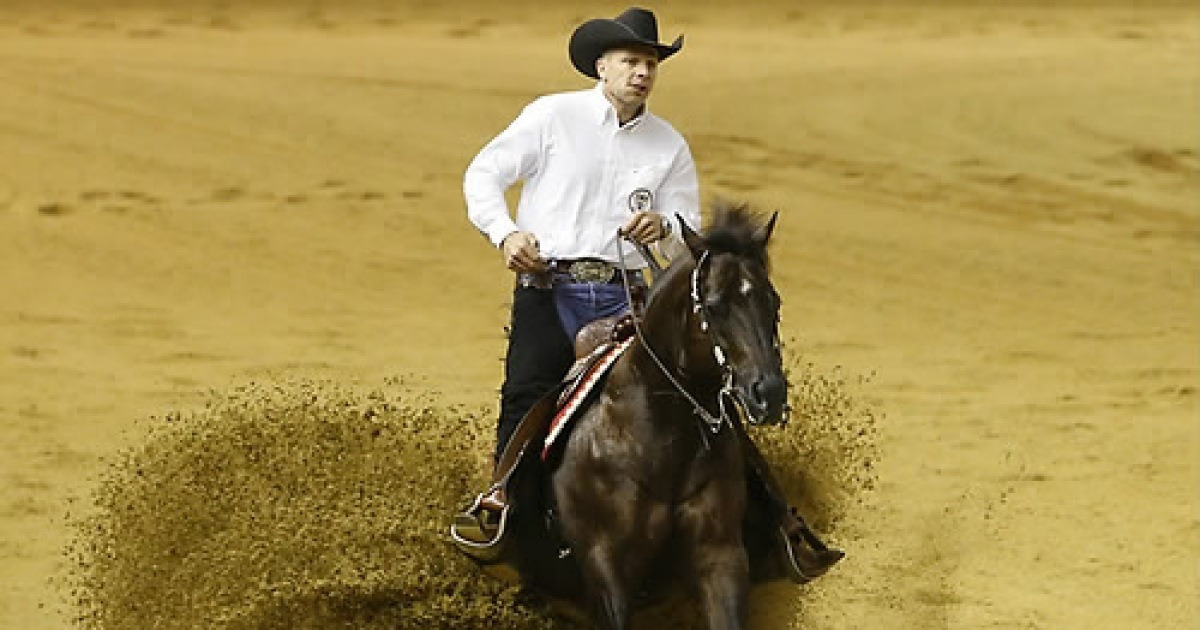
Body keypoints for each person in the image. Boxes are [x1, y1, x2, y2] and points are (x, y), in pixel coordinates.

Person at [454, 6, 842, 584]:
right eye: (632, 61)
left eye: (651, 63)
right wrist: (506, 232)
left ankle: (780, 522)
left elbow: (688, 222)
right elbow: (483, 174)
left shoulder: (668, 144)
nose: (643, 72)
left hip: (627, 295)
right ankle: (503, 505)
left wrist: (662, 223)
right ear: (602, 66)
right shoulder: (551, 117)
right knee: (532, 390)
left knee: (702, 395)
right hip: (548, 284)